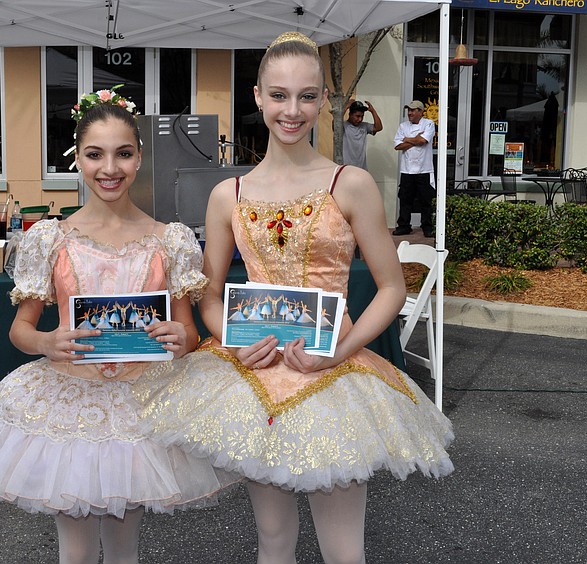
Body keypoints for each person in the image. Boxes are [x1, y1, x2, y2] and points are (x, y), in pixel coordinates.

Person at [134, 32, 453, 563]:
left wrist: (342, 350)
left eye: (307, 95)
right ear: (257, 96)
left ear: (324, 100)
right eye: (279, 95)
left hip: (335, 374)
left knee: (343, 549)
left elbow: (393, 287)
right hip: (257, 379)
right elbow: (208, 296)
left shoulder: (349, 184)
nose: (292, 109)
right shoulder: (227, 195)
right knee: (273, 541)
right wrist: (232, 343)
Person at [0, 99, 236, 564]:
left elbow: (190, 333)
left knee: (124, 548)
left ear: (139, 156)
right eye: (95, 154)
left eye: (123, 153)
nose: (109, 168)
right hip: (71, 400)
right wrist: (45, 342)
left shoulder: (170, 239)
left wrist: (181, 339)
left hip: (143, 403)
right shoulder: (51, 238)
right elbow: (22, 328)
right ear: (77, 158)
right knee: (74, 552)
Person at [393, 100, 436, 237]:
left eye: (413, 110)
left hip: (424, 169)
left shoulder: (429, 123)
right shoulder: (403, 126)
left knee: (426, 200)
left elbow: (423, 141)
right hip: (406, 170)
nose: (410, 113)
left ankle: (427, 226)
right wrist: (415, 139)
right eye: (409, 110)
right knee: (405, 199)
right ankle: (404, 225)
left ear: (421, 111)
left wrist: (407, 139)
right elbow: (397, 146)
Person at [343, 99, 382, 170]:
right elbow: (335, 124)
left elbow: (378, 127)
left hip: (361, 169)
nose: (360, 119)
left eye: (362, 116)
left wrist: (373, 111)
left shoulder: (364, 126)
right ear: (350, 114)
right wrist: (346, 107)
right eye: (357, 116)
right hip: (346, 169)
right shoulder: (343, 126)